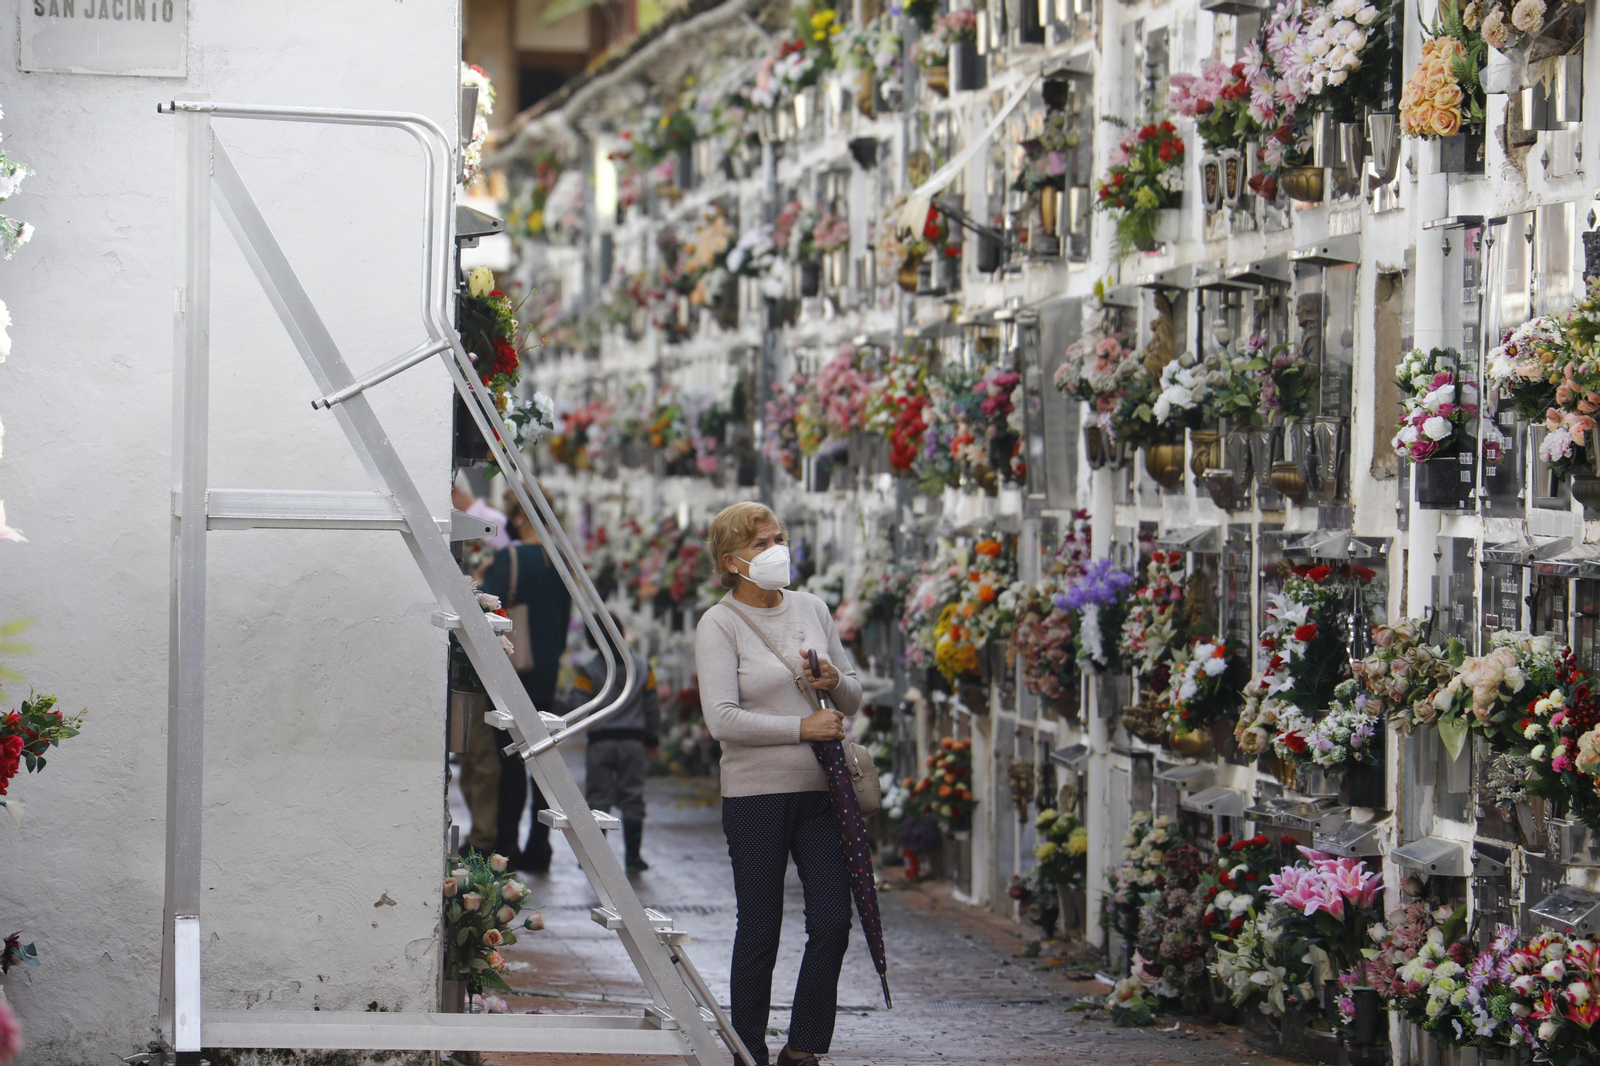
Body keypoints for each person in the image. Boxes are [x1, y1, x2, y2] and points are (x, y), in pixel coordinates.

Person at [694, 501, 862, 1066]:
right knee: (761, 928)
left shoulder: (812, 608)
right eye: (761, 544)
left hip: (822, 791)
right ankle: (749, 1052)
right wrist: (801, 728)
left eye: (779, 539)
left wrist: (834, 679)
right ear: (731, 561)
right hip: (755, 796)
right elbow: (722, 720)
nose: (776, 551)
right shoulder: (719, 624)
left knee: (833, 920)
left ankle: (804, 1047)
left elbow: (852, 695)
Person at [475, 492, 572, 873]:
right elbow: (564, 618)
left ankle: (506, 845)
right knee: (542, 756)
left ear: (519, 515)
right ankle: (540, 844)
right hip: (546, 669)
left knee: (511, 757)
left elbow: (488, 612)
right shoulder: (559, 562)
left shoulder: (508, 558)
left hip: (514, 669)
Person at [563, 621, 660, 874]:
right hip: (633, 743)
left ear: (591, 640)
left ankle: (597, 858)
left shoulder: (588, 671)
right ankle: (633, 858)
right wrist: (652, 739)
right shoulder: (642, 666)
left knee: (598, 799)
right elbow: (652, 707)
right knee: (633, 798)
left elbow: (577, 705)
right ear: (622, 632)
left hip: (601, 743)